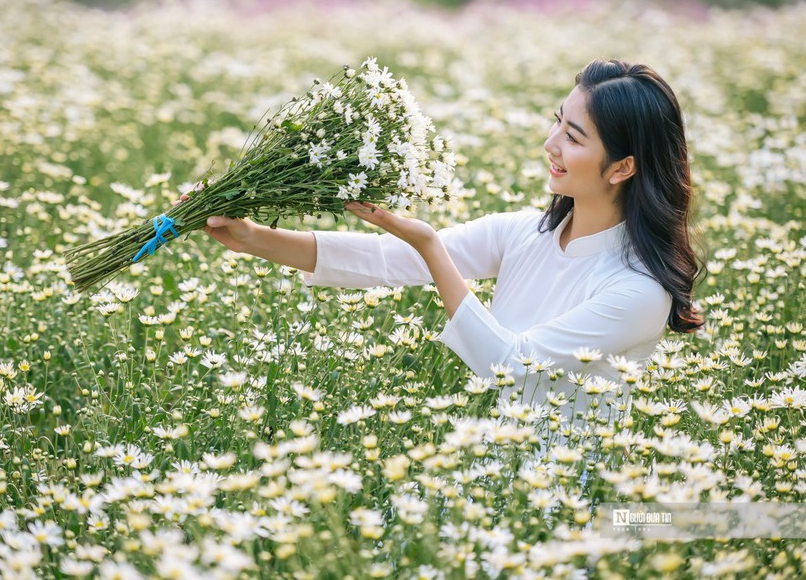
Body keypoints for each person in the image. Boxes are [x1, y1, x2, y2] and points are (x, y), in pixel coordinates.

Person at [183, 59, 704, 421]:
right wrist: (253, 238)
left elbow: (515, 369)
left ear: (623, 168)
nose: (550, 145)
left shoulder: (638, 291)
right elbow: (386, 259)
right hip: (493, 477)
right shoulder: (525, 233)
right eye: (556, 124)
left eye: (573, 137)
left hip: (579, 502)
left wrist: (432, 249)